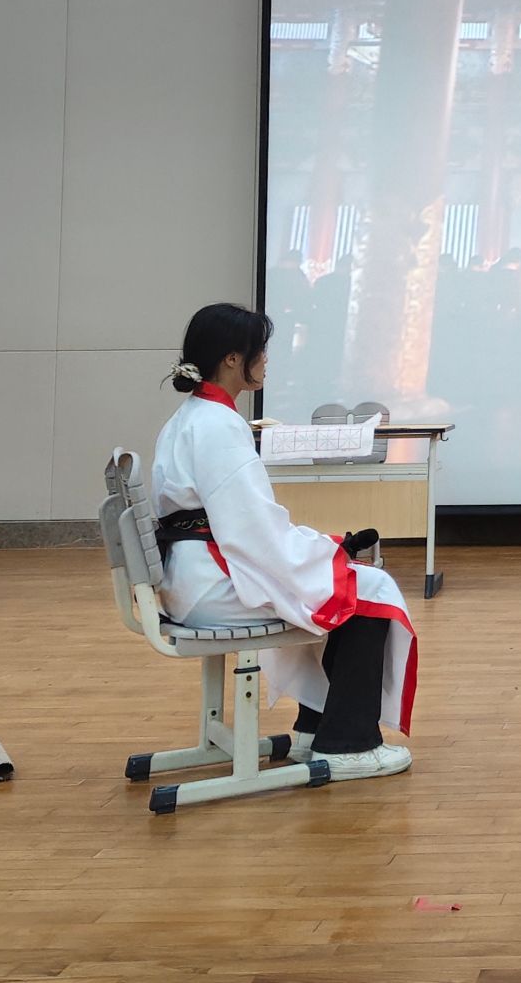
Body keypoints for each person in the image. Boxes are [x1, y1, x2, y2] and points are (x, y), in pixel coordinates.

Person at [150, 303, 417, 781]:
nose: (267, 359)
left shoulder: (187, 418)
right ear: (233, 359)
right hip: (213, 583)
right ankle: (348, 745)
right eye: (261, 350)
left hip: (189, 578)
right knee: (370, 589)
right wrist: (325, 551)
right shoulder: (217, 424)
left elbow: (241, 523)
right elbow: (250, 531)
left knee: (340, 584)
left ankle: (315, 731)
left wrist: (321, 549)